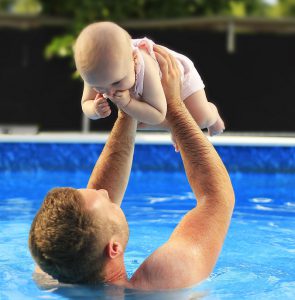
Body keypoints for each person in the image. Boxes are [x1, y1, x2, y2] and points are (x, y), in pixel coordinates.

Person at [28, 46, 235, 290]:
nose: (105, 192)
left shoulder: (52, 269)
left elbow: (85, 227)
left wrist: (128, 110)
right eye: (105, 201)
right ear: (113, 248)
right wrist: (176, 107)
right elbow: (216, 200)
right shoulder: (164, 282)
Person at [74, 21, 225, 136]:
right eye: (99, 87)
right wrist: (94, 110)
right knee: (138, 122)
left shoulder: (145, 67)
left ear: (133, 59)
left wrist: (127, 103)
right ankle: (176, 129)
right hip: (151, 97)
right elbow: (85, 104)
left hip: (177, 76)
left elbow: (158, 114)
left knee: (200, 119)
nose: (110, 92)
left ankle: (213, 113)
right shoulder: (96, 72)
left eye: (116, 82)